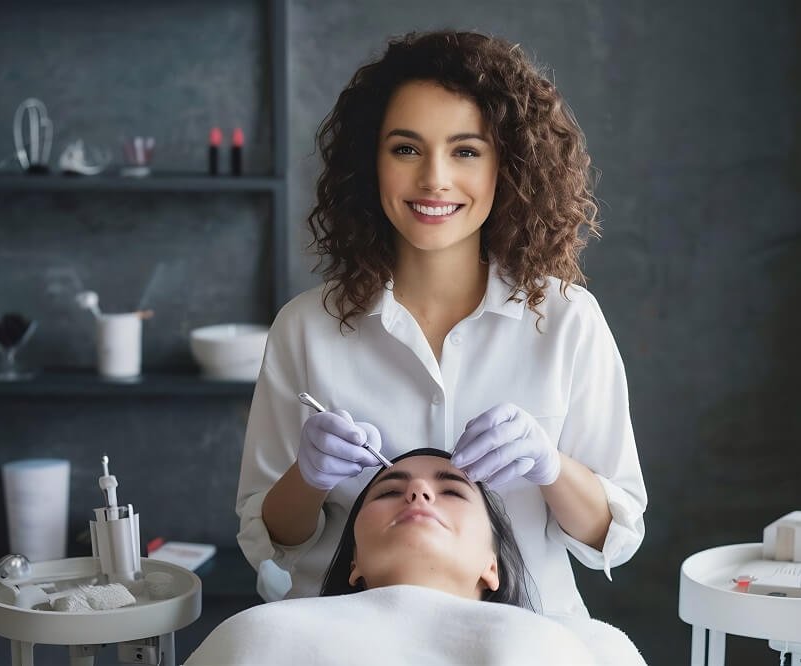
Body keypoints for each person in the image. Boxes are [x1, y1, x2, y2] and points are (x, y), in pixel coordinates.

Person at [236, 29, 647, 616]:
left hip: (526, 638)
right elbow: (268, 540)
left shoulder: (567, 320)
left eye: (466, 151)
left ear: (508, 167)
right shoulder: (306, 328)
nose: (434, 179)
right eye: (405, 149)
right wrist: (307, 474)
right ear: (369, 163)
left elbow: (616, 535)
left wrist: (551, 466)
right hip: (345, 640)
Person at [189, 451, 644, 665]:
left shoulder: (589, 647)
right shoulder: (260, 636)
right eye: (389, 490)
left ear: (493, 565)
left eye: (450, 490)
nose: (418, 491)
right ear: (354, 564)